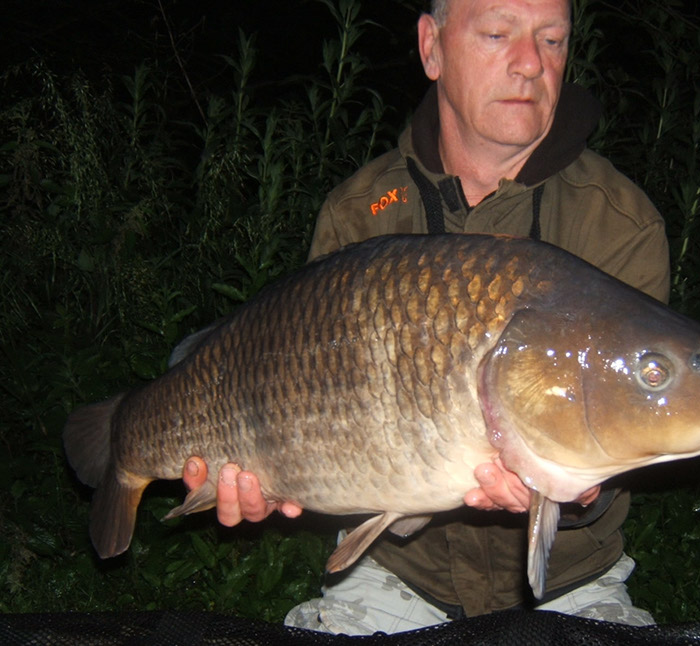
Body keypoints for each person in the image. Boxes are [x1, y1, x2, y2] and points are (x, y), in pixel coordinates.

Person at [183, 0, 670, 635]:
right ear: (432, 47)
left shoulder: (620, 222)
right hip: (395, 573)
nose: (531, 64)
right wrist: (273, 477)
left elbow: (625, 427)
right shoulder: (366, 206)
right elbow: (299, 402)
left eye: (552, 40)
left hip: (571, 584)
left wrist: (579, 493)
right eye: (499, 34)